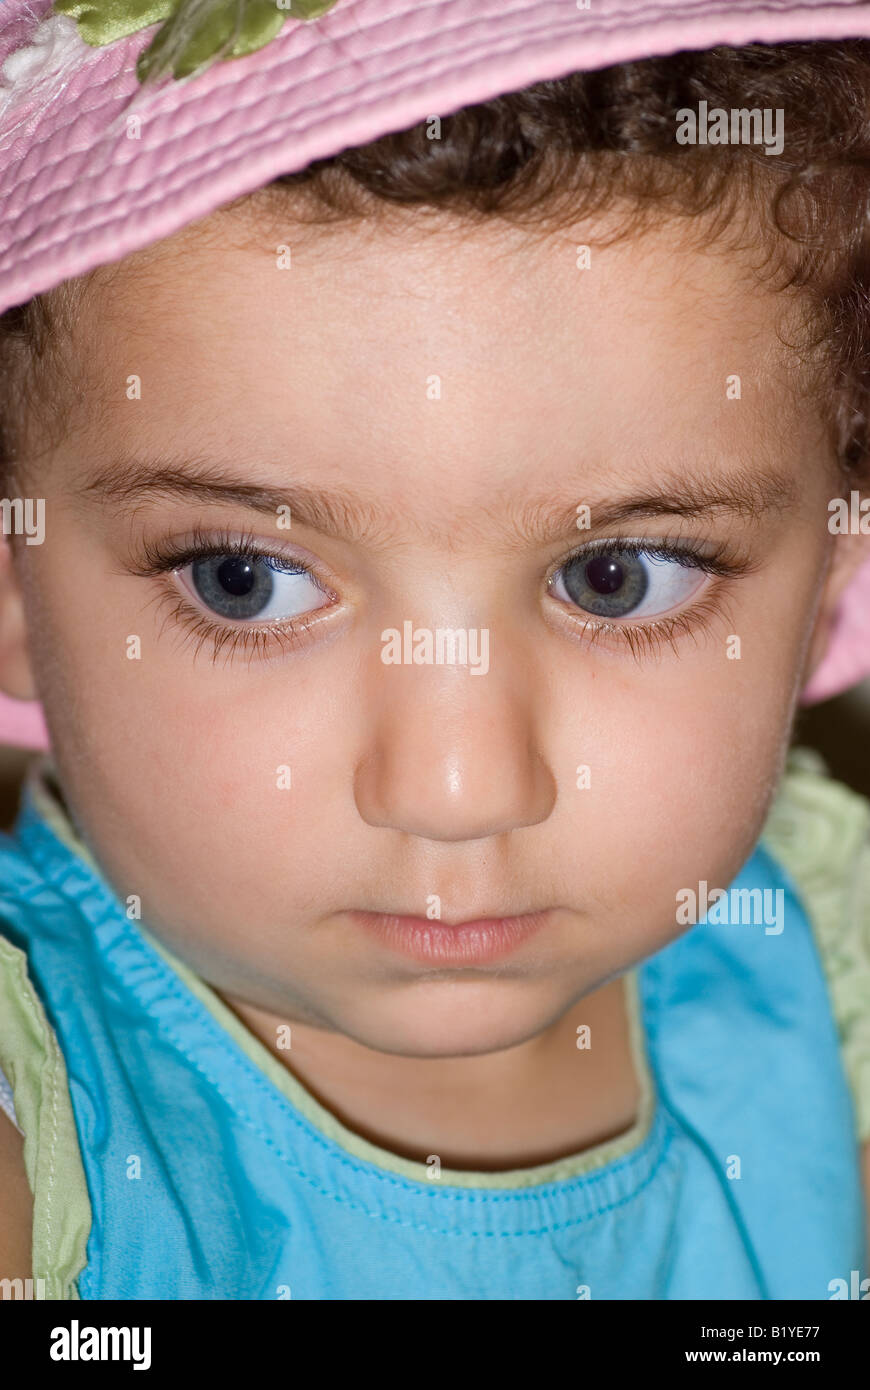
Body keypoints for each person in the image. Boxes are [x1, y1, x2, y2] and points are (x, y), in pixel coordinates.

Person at [0, 0, 868, 1299]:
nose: (455, 788)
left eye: (613, 577)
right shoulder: (39, 1138)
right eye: (246, 581)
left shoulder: (826, 976)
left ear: (826, 580)